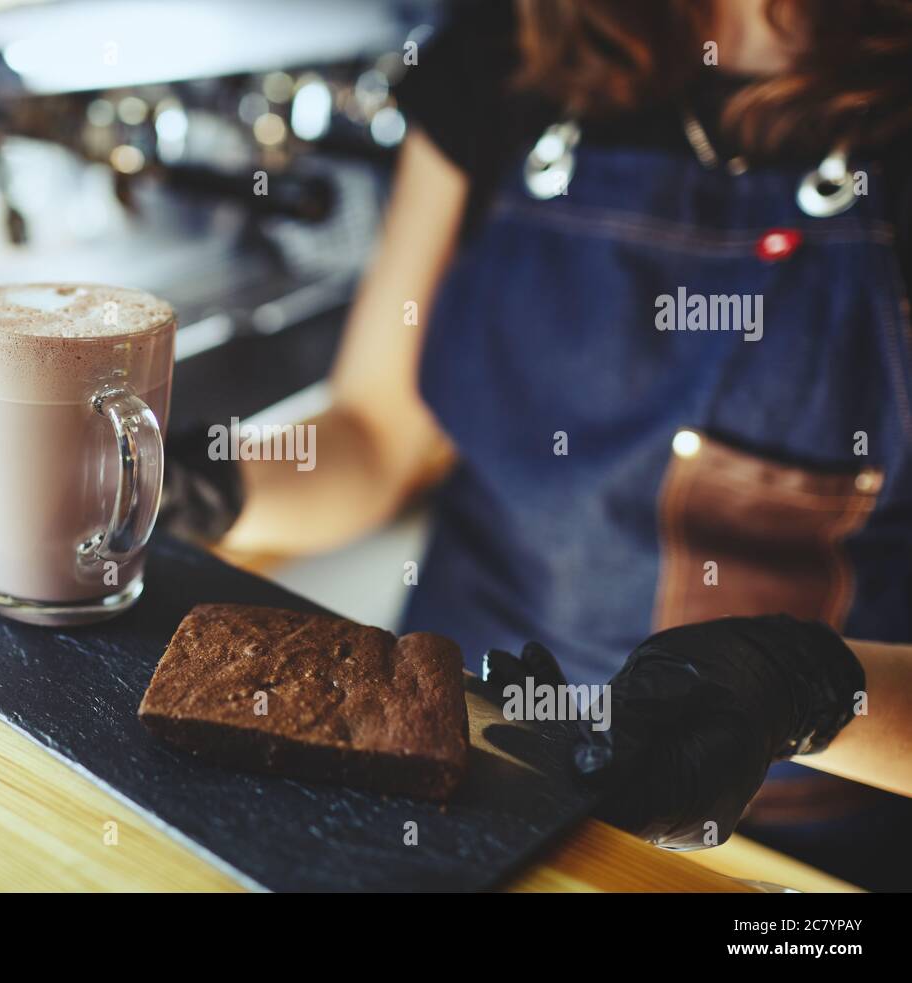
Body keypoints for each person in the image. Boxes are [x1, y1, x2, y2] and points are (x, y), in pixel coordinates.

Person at [160, 0, 912, 888]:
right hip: (456, 772)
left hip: (774, 853)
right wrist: (200, 484)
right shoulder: (504, 50)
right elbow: (377, 436)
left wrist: (803, 690)